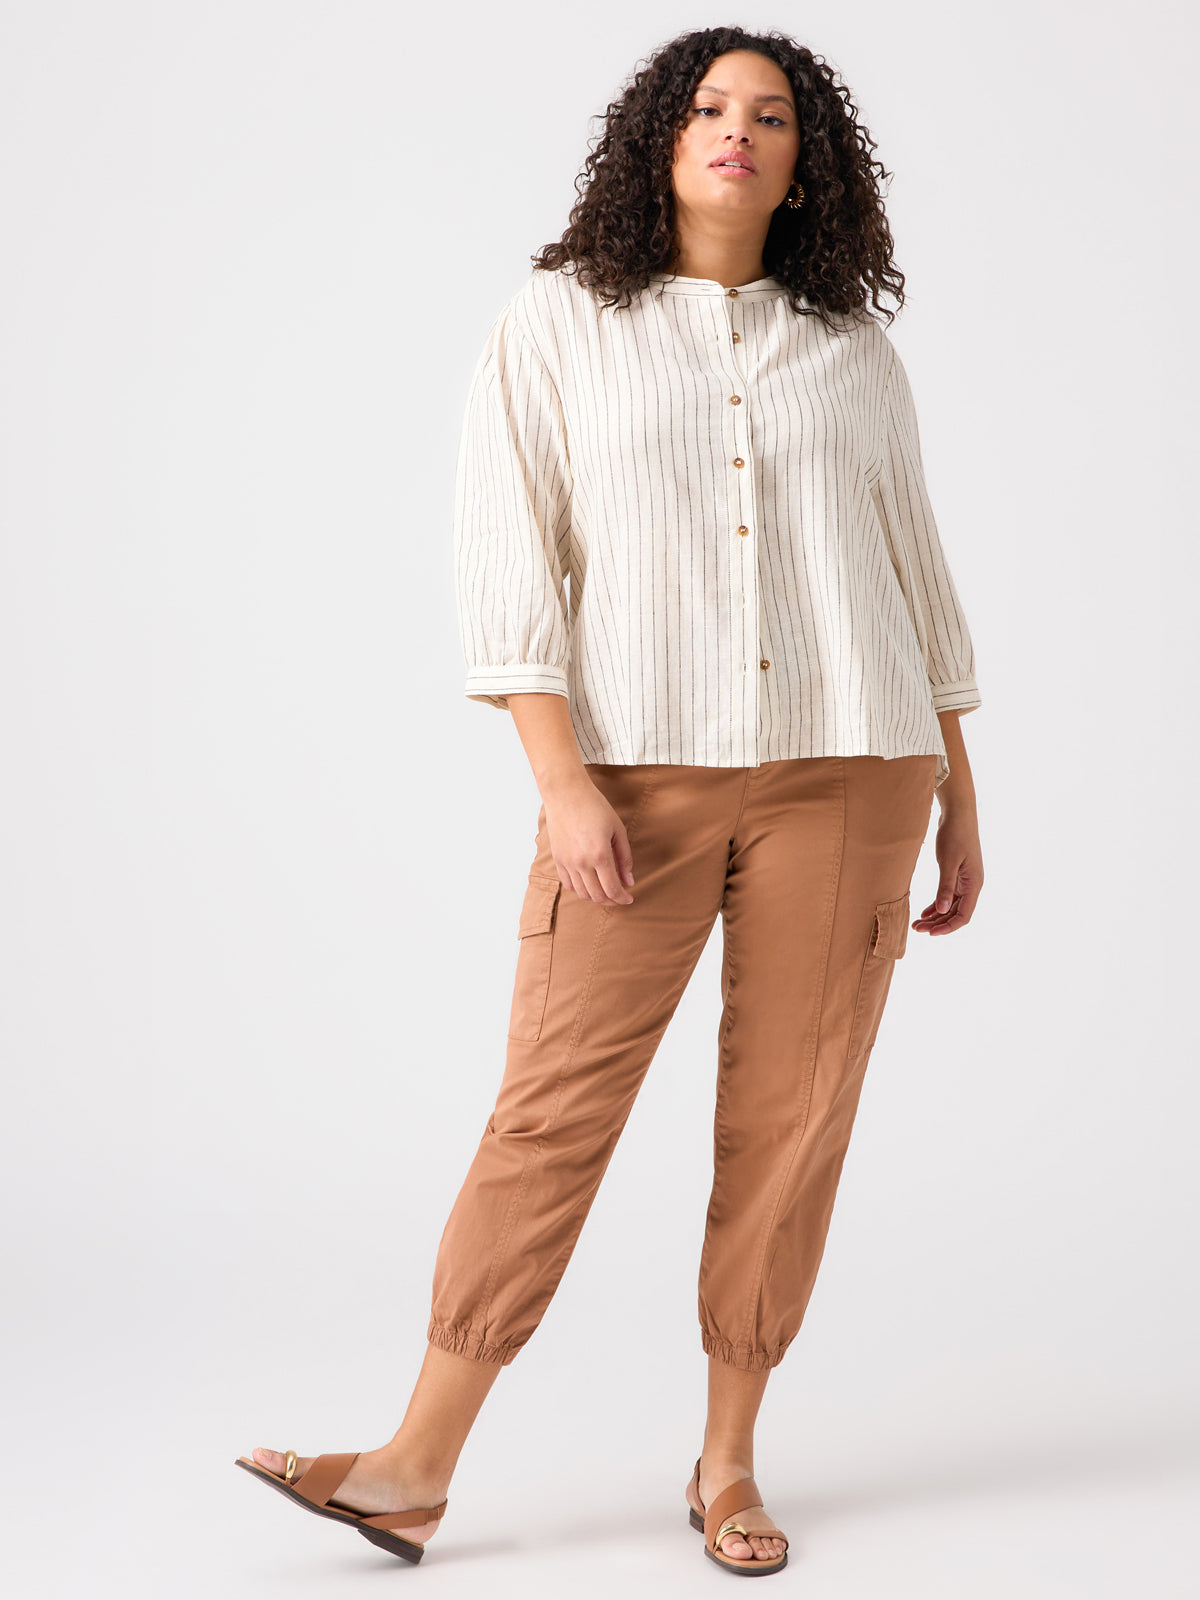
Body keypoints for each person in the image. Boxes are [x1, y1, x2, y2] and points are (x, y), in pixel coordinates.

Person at [235, 25, 985, 1577]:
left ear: (804, 162)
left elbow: (915, 572)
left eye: (771, 116)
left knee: (791, 1126)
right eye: (709, 108)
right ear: (660, 140)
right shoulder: (561, 322)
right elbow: (510, 558)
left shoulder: (852, 348)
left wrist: (961, 793)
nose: (737, 131)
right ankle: (414, 1463)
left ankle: (725, 1465)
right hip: (631, 779)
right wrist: (561, 779)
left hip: (856, 770)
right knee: (550, 1112)